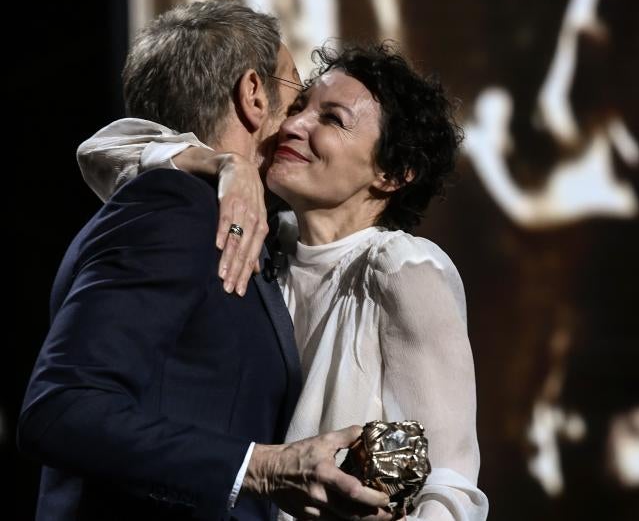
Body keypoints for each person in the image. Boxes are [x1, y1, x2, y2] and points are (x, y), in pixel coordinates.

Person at [76, 42, 489, 521]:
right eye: (299, 106)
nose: (293, 126)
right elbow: (102, 150)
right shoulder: (263, 240)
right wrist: (223, 163)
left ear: (392, 173)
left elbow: (450, 478)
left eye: (331, 119)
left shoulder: (402, 269)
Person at [18, 0, 392, 521]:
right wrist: (258, 467)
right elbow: (60, 410)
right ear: (253, 94)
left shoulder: (204, 208)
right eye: (296, 94)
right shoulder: (174, 210)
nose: (301, 121)